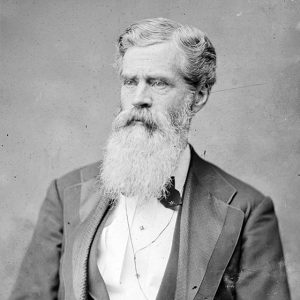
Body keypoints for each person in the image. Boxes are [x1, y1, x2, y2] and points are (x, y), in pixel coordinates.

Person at [10, 18, 290, 300]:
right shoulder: (66, 194)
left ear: (199, 96)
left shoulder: (248, 209)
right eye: (131, 81)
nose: (139, 98)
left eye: (158, 83)